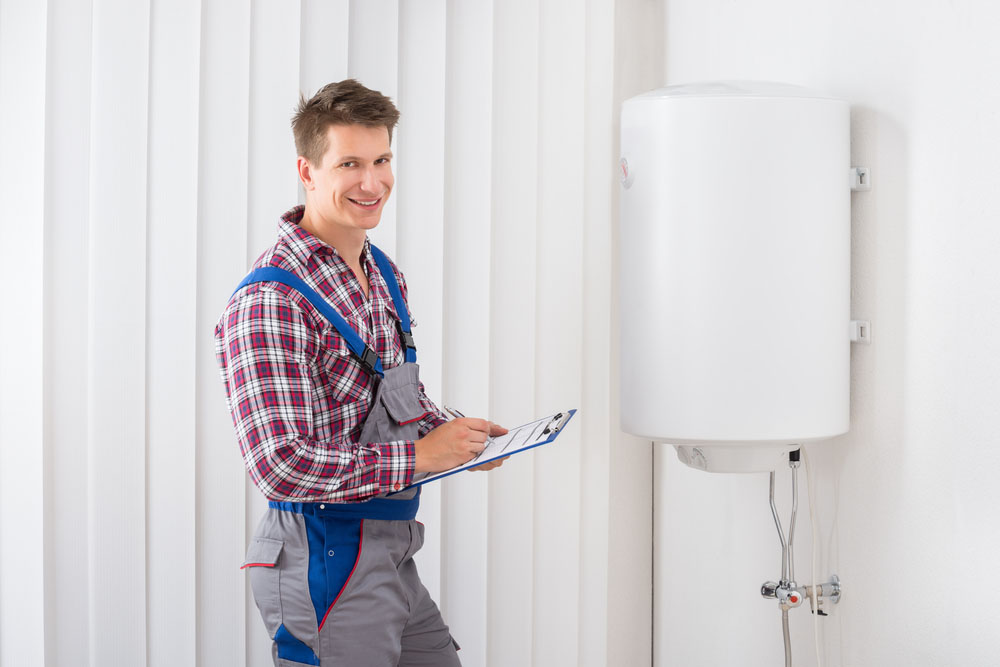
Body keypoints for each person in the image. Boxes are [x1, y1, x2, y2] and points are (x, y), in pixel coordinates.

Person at [215, 79, 506, 667]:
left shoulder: (382, 272)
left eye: (382, 160)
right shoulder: (272, 300)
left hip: (390, 552)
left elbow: (395, 397)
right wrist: (425, 456)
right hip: (323, 560)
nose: (372, 183)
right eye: (350, 163)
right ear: (308, 169)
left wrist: (460, 437)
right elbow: (280, 465)